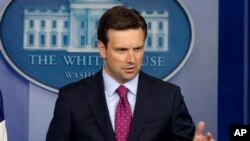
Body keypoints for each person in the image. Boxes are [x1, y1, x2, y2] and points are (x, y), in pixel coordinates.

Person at [46, 5, 215, 141]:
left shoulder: (169, 97)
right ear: (102, 49)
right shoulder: (72, 99)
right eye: (122, 50)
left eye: (138, 49)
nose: (132, 58)